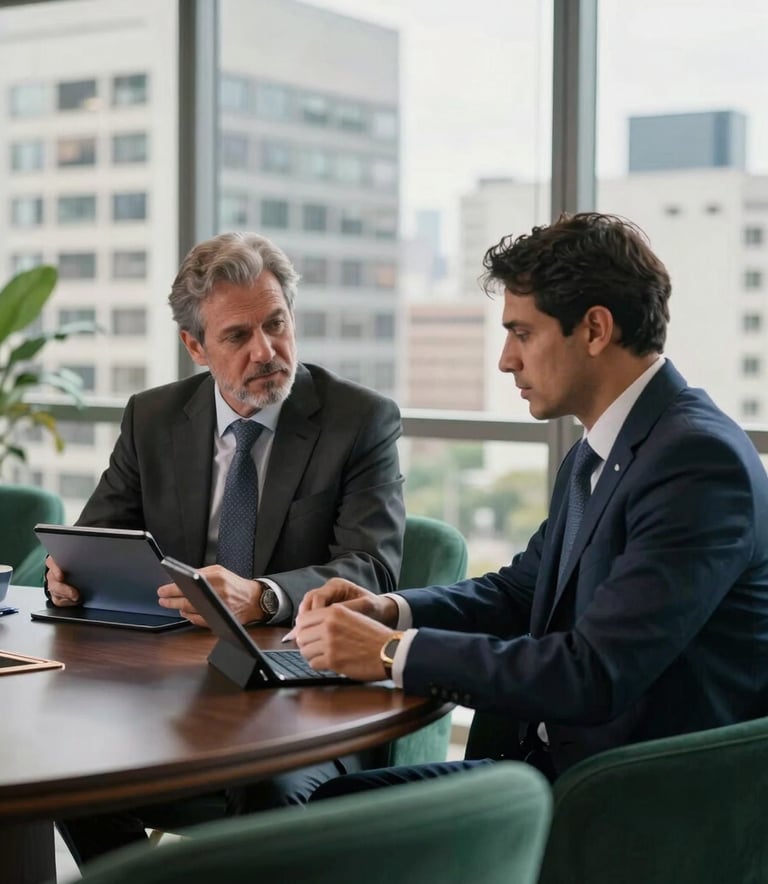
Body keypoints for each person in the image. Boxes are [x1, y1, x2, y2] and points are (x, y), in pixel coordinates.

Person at [288, 211, 768, 801]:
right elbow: (520, 592)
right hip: (552, 767)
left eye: (522, 333)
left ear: (595, 329)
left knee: (328, 813)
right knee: (321, 806)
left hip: (630, 801)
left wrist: (388, 653)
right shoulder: (602, 450)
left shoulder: (696, 464)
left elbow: (594, 673)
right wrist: (389, 611)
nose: (506, 360)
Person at [47, 231, 405, 864]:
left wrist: (264, 596)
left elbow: (372, 565)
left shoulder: (360, 420)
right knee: (67, 767)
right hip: (172, 684)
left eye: (277, 324)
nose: (267, 351)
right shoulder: (152, 418)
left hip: (305, 691)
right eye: (238, 337)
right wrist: (68, 571)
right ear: (196, 346)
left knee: (265, 788)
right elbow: (99, 537)